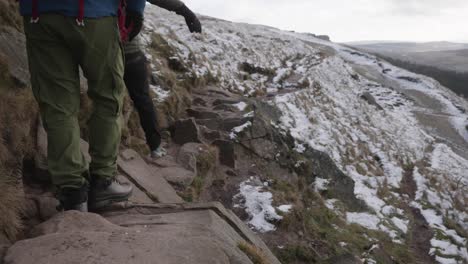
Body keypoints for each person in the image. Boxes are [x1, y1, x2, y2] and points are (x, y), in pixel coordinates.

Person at [18, 0, 146, 212]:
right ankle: (102, 182)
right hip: (95, 13)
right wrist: (136, 8)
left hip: (39, 14)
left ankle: (73, 193)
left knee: (57, 104)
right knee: (107, 96)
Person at [123, 0, 202, 158]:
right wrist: (185, 11)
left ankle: (104, 161)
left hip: (96, 41)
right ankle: (155, 146)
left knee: (107, 99)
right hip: (127, 46)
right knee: (142, 98)